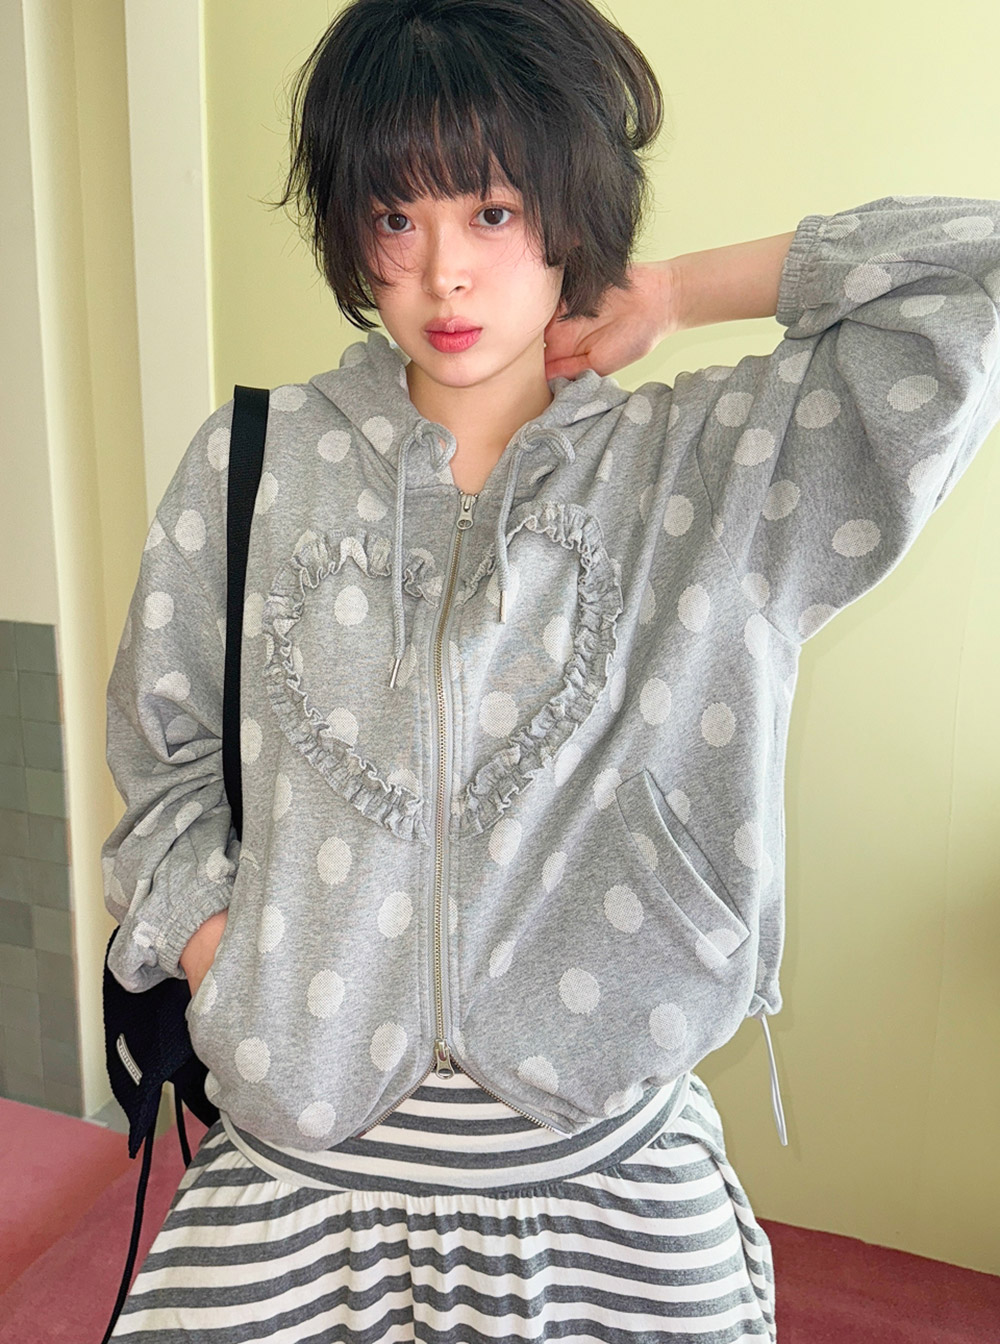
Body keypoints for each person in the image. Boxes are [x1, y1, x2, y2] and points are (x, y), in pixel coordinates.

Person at [100, 0, 1000, 1339]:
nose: (442, 276)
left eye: (494, 212)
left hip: (608, 1191)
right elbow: (164, 763)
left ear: (572, 210)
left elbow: (973, 275)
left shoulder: (706, 472)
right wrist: (235, 957)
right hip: (298, 1178)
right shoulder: (251, 463)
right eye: (396, 217)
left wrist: (678, 291)